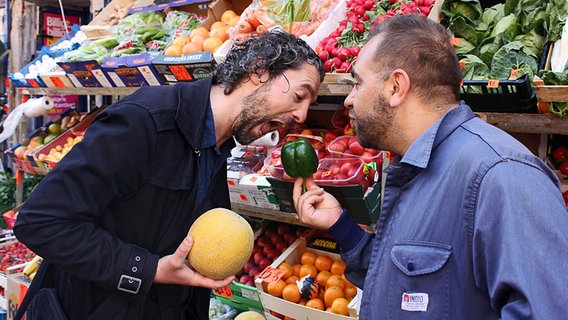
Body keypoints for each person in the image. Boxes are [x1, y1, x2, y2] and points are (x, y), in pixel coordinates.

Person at [14, 30, 324, 320]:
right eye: (299, 96)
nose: (301, 117)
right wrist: (149, 269)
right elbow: (41, 222)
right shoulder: (144, 123)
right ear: (259, 71)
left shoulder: (217, 146)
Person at [293, 14, 568, 319]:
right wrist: (341, 227)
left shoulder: (501, 175)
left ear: (396, 87)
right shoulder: (414, 166)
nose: (349, 100)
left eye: (357, 83)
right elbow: (412, 282)